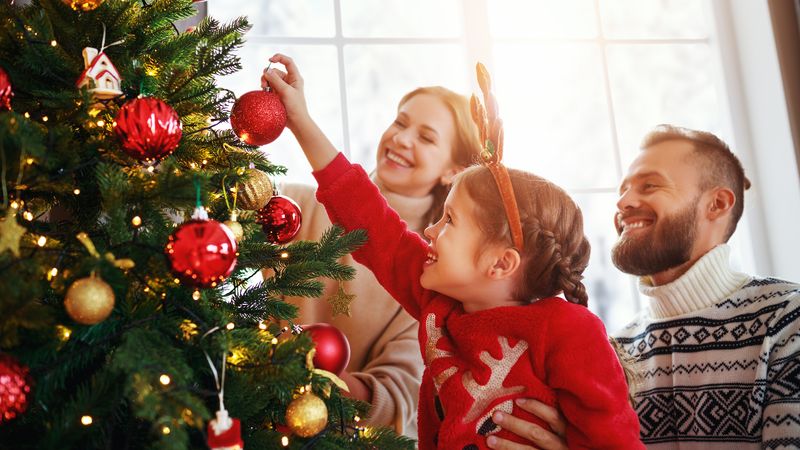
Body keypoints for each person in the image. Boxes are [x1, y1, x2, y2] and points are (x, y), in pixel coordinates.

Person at [264, 53, 643, 450]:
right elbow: (371, 223)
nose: (429, 231)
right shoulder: (438, 301)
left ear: (500, 263)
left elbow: (614, 440)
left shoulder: (569, 332)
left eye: (449, 222)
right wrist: (300, 120)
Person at [488, 125, 800, 449]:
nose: (623, 202)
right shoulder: (614, 352)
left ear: (717, 204)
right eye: (623, 190)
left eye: (649, 186)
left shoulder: (789, 322)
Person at [260, 68, 482, 437]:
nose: (402, 139)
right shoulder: (292, 205)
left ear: (453, 171)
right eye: (400, 122)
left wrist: (313, 377)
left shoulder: (432, 272)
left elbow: (398, 399)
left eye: (426, 137)